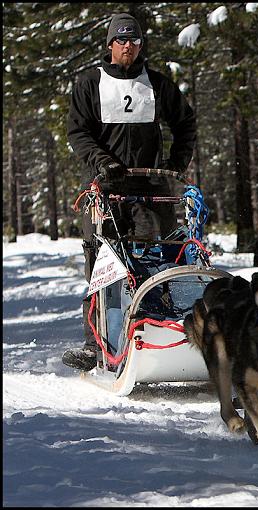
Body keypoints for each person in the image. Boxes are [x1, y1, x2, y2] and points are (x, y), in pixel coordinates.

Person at [62, 13, 196, 371]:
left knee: (160, 262)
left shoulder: (156, 84)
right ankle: (96, 345)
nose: (128, 47)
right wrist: (101, 161)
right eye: (121, 41)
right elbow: (78, 132)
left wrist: (176, 163)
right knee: (103, 267)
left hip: (151, 191)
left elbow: (185, 122)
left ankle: (163, 335)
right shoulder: (91, 83)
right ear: (109, 44)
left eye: (134, 41)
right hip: (105, 190)